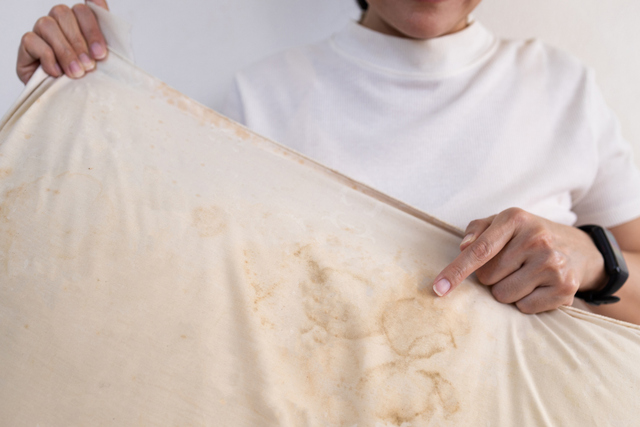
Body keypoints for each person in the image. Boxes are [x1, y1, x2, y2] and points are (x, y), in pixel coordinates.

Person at [16, 0, 640, 325]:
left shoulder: (563, 88)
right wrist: (80, 100)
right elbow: (153, 285)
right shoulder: (261, 100)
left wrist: (595, 259)